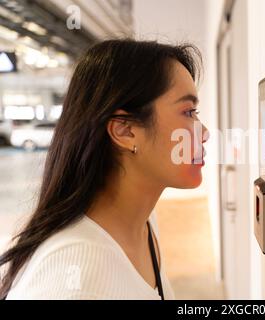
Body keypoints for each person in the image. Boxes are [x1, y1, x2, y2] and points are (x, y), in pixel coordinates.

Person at [0, 39, 209, 299]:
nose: (205, 133)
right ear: (125, 131)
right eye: (188, 112)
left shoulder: (141, 223)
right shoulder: (73, 275)